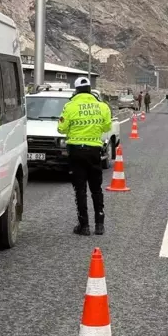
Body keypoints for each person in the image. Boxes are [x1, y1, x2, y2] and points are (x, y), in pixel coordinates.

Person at [58, 77, 112, 236]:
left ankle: (84, 226)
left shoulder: (69, 106)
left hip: (75, 151)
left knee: (80, 189)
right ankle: (100, 225)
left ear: (76, 90)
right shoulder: (102, 106)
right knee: (96, 188)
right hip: (94, 151)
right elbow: (107, 126)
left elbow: (61, 129)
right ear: (90, 89)